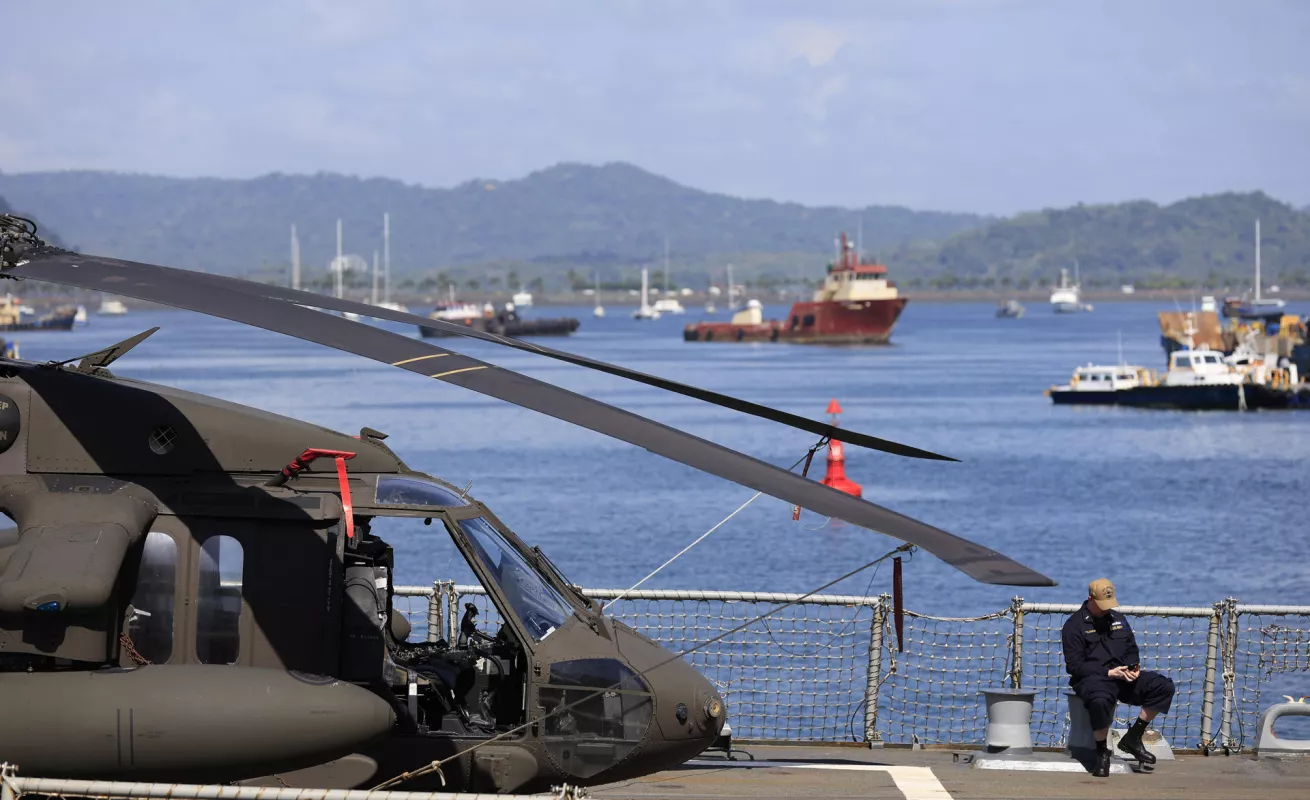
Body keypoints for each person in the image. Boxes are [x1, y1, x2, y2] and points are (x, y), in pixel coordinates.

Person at [1062, 578, 1175, 777]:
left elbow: (1131, 648)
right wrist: (1107, 672)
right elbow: (1075, 666)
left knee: (1162, 686)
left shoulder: (1118, 619)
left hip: (1122, 676)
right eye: (1102, 605)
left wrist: (1134, 666)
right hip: (1094, 678)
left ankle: (1133, 737)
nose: (1107, 609)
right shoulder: (1073, 626)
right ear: (1090, 599)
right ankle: (1101, 752)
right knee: (1099, 700)